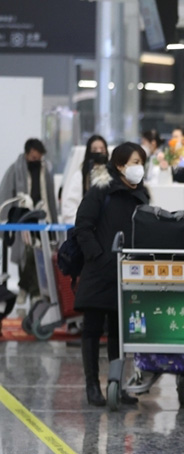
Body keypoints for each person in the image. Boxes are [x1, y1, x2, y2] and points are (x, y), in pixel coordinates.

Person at [74, 142, 150, 407]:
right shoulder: (101, 190)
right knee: (93, 330)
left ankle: (116, 383)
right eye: (133, 162)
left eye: (141, 162)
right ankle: (92, 386)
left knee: (120, 332)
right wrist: (98, 255)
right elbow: (83, 225)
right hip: (99, 270)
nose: (138, 168)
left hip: (128, 273)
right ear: (119, 165)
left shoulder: (142, 195)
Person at [0, 138, 60, 301]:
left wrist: (54, 221)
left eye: (38, 158)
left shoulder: (44, 170)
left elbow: (50, 198)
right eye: (33, 158)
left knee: (39, 253)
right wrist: (6, 220)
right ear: (27, 155)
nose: (36, 161)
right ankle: (31, 291)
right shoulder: (15, 170)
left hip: (42, 217)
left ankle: (28, 289)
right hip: (22, 219)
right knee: (25, 255)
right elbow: (6, 194)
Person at [61, 135, 108, 225]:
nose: (98, 152)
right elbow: (70, 206)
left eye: (102, 149)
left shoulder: (112, 175)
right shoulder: (80, 176)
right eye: (94, 150)